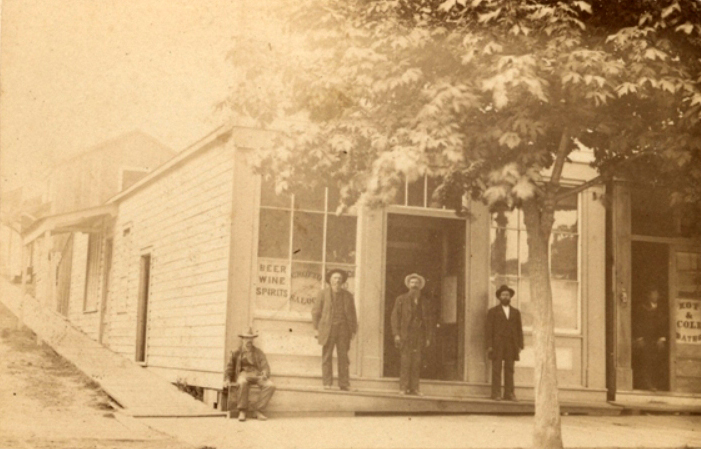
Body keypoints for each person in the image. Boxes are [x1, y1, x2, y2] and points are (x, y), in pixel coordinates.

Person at [312, 269, 358, 391]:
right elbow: (316, 312)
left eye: (339, 278)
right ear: (330, 280)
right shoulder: (323, 294)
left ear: (342, 281)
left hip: (344, 329)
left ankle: (344, 383)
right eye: (334, 278)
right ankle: (327, 383)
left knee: (343, 357)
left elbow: (353, 314)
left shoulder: (348, 295)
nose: (337, 281)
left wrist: (353, 330)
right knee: (327, 356)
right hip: (328, 329)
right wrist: (316, 329)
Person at [391, 273, 434, 396]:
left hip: (419, 335)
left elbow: (429, 321)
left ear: (420, 286)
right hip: (406, 335)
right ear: (408, 285)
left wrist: (428, 337)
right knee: (405, 361)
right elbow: (395, 318)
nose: (414, 285)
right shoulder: (401, 299)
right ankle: (403, 388)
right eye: (412, 283)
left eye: (417, 283)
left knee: (416, 362)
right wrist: (396, 334)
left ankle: (415, 388)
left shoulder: (425, 302)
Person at [224, 327, 276, 421]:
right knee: (242, 382)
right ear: (242, 339)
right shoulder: (236, 352)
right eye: (246, 338)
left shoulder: (258, 352)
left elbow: (265, 366)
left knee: (270, 386)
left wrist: (264, 373)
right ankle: (242, 411)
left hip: (257, 374)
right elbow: (229, 367)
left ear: (253, 340)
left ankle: (258, 410)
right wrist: (227, 379)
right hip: (243, 374)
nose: (249, 341)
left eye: (250, 339)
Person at [486, 284, 524, 401]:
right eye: (503, 295)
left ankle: (509, 393)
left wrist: (520, 345)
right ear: (499, 297)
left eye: (507, 295)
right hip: (497, 344)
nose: (505, 297)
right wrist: (489, 345)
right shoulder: (493, 311)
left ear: (510, 297)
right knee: (496, 368)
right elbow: (488, 329)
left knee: (509, 369)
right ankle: (496, 393)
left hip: (511, 344)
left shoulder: (515, 312)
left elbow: (519, 329)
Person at [633, 288, 667, 391]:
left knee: (657, 362)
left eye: (656, 294)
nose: (655, 296)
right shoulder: (642, 308)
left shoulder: (662, 309)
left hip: (657, 340)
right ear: (648, 296)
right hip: (646, 339)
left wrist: (662, 338)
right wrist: (639, 338)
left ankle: (657, 384)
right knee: (646, 362)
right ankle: (647, 384)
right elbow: (637, 323)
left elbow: (664, 324)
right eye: (652, 294)